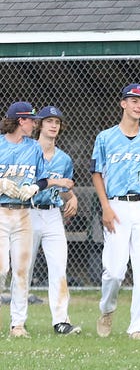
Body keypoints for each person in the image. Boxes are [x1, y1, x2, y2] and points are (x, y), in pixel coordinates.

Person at [91, 83, 140, 340]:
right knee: (114, 272)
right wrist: (105, 206)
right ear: (123, 103)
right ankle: (107, 309)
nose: (138, 106)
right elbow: (97, 173)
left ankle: (137, 327)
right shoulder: (105, 137)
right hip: (116, 206)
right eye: (133, 101)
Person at [27, 106, 81, 335]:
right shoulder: (27, 151)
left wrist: (74, 198)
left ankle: (61, 321)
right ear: (39, 124)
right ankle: (17, 320)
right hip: (27, 212)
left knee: (59, 267)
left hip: (52, 214)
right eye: (48, 121)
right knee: (23, 268)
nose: (53, 125)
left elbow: (65, 186)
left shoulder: (64, 159)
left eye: (57, 122)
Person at [0, 101, 52, 337]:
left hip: (23, 214)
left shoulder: (33, 148)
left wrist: (33, 187)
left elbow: (42, 179)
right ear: (20, 121)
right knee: (2, 269)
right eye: (31, 120)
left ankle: (17, 324)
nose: (34, 124)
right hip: (1, 212)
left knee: (22, 270)